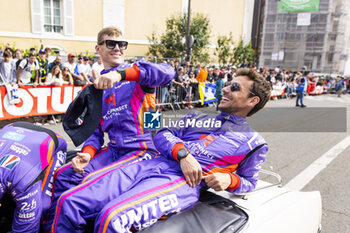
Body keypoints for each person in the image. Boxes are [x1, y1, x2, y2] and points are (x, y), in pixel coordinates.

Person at [47, 68, 271, 233]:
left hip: (167, 170)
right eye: (227, 83)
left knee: (111, 218)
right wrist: (182, 154)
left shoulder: (255, 143)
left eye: (234, 87)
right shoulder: (103, 88)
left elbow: (248, 181)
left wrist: (228, 179)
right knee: (69, 200)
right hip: (140, 160)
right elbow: (159, 132)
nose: (224, 88)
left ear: (252, 100)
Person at [44, 26, 174, 232]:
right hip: (114, 151)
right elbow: (95, 133)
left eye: (122, 44)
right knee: (62, 175)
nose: (117, 48)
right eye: (111, 43)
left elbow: (168, 73)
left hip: (145, 151)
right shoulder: (96, 88)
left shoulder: (137, 73)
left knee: (72, 200)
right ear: (98, 48)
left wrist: (120, 75)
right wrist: (86, 154)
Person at [0, 122, 67, 233]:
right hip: (13, 127)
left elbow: (26, 228)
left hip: (51, 139)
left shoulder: (22, 181)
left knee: (43, 205)